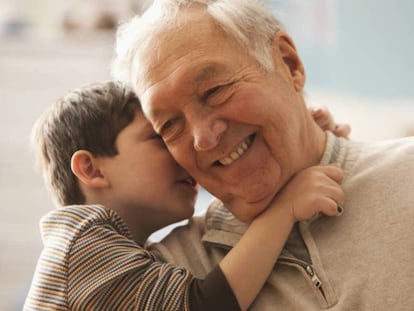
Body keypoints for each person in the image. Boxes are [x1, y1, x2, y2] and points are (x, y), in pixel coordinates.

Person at [111, 0, 414, 310]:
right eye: (170, 125)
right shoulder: (164, 276)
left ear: (289, 64)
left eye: (215, 90)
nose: (202, 138)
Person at [24, 81, 345, 310]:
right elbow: (201, 304)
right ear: (91, 169)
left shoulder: (113, 248)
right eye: (160, 138)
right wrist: (285, 207)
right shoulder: (81, 246)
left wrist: (301, 145)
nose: (185, 150)